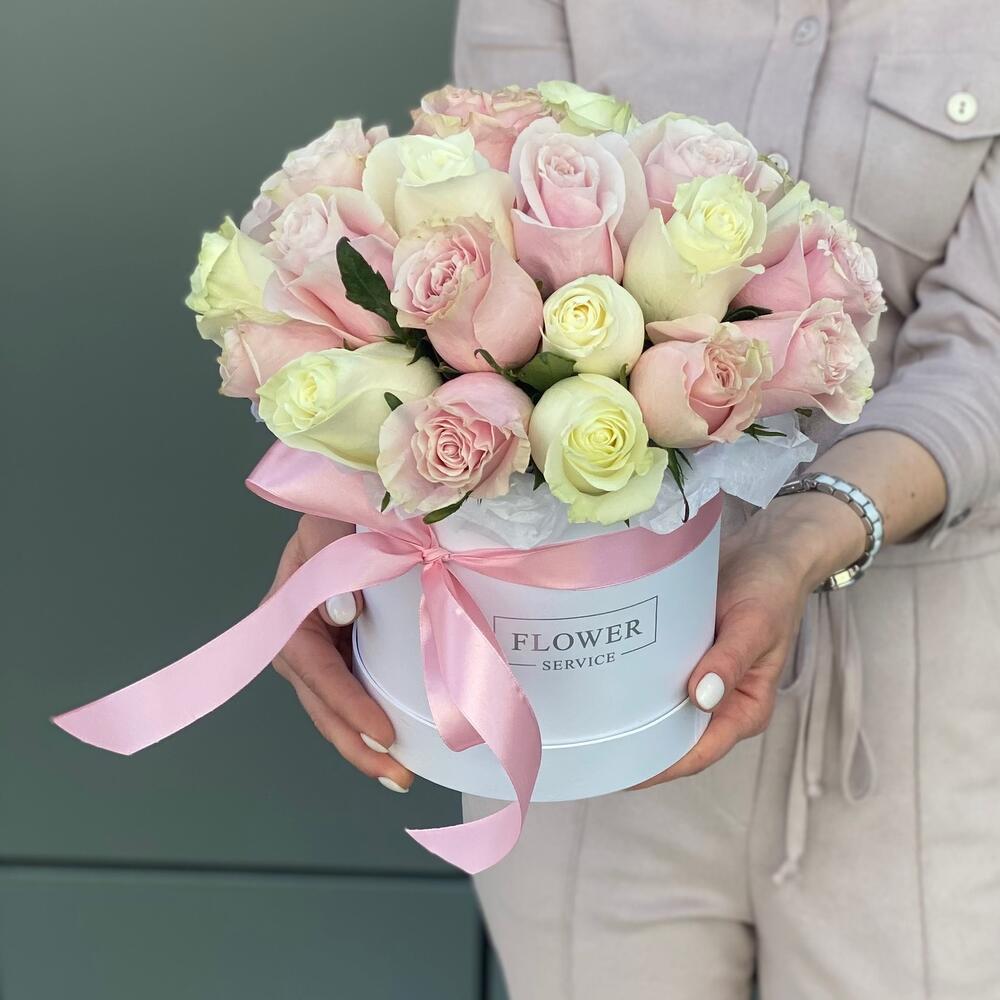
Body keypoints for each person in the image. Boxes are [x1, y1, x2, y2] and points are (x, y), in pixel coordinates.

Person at [268, 1, 1000, 995]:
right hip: (578, 678)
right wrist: (363, 477)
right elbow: (457, 231)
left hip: (921, 718)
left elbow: (984, 349)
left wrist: (801, 535)